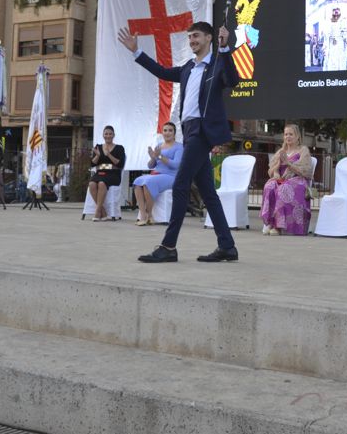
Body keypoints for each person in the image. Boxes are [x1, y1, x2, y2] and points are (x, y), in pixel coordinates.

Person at [118, 21, 240, 263]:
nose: (192, 40)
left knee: (181, 184)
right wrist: (136, 51)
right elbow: (162, 72)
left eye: (196, 36)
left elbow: (233, 80)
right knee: (208, 193)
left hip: (202, 133)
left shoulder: (217, 64)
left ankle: (169, 246)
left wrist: (225, 49)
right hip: (189, 130)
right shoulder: (188, 68)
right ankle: (227, 246)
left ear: (209, 38)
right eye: (190, 37)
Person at [260, 124, 313, 236]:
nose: (288, 136)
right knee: (269, 186)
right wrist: (276, 172)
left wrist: (288, 163)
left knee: (284, 188)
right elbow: (272, 169)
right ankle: (270, 221)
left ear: (297, 136)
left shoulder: (303, 150)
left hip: (297, 180)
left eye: (291, 134)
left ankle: (278, 227)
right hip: (282, 180)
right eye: (286, 134)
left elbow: (306, 170)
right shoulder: (281, 151)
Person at [132, 122, 183, 226]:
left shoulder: (179, 147)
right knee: (138, 181)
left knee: (148, 182)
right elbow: (151, 166)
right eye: (165, 130)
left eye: (170, 130)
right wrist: (152, 157)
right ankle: (143, 215)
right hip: (157, 174)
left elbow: (176, 165)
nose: (167, 133)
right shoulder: (159, 146)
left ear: (174, 133)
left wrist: (159, 157)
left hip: (171, 176)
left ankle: (149, 215)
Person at [88, 125, 125, 221]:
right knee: (92, 184)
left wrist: (108, 154)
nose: (108, 136)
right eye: (106, 134)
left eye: (110, 134)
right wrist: (98, 156)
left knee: (101, 183)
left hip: (113, 174)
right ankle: (103, 211)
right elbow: (92, 164)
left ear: (113, 135)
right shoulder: (98, 147)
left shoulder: (119, 148)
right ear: (103, 135)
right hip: (100, 173)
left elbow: (120, 164)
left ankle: (97, 212)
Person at [322, 7, 347, 71]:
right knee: (331, 58)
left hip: (340, 42)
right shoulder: (329, 21)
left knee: (340, 58)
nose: (336, 13)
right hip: (331, 43)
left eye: (337, 11)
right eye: (334, 11)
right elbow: (326, 33)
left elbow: (345, 32)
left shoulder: (343, 21)